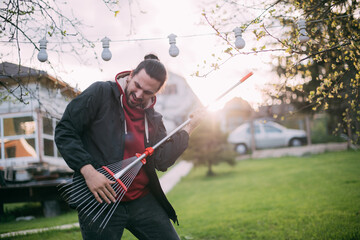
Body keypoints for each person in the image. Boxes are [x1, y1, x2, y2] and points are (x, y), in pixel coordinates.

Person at [55, 54, 203, 240]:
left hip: (142, 200)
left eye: (148, 92)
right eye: (137, 86)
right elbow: (65, 131)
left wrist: (190, 127)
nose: (139, 95)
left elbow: (162, 161)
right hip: (100, 201)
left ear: (156, 92)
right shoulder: (101, 93)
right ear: (131, 74)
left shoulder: (154, 119)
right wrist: (89, 172)